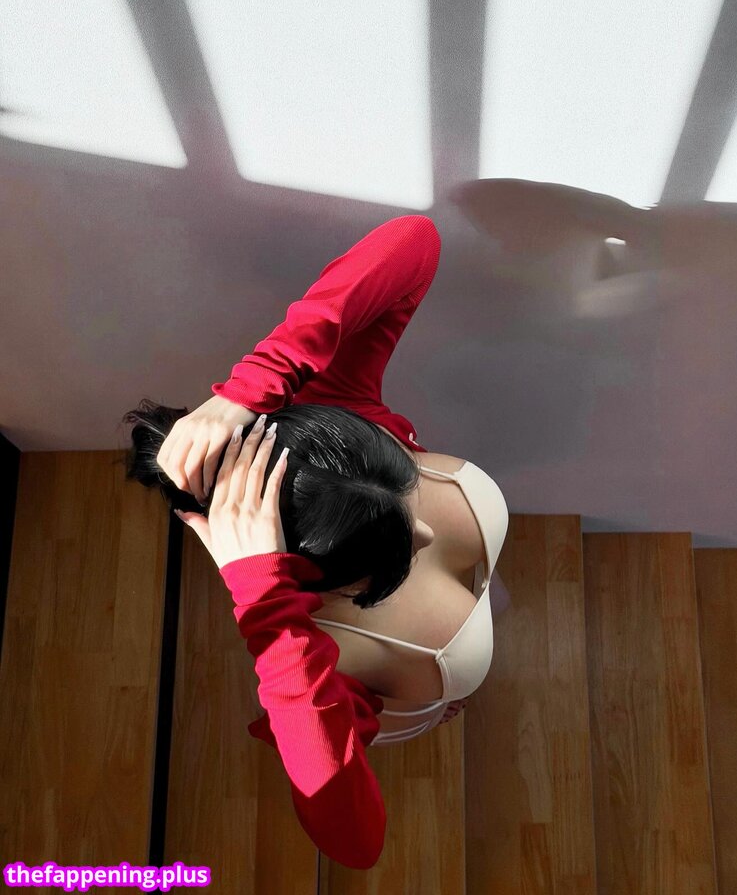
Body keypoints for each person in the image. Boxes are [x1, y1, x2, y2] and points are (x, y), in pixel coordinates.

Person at [120, 214, 510, 869]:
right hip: (390, 698)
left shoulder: (337, 412)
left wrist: (252, 385)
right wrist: (269, 618)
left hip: (438, 633)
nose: (425, 532)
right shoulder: (318, 654)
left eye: (404, 494)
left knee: (491, 603)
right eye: (382, 555)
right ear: (313, 578)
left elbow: (416, 239)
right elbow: (356, 842)